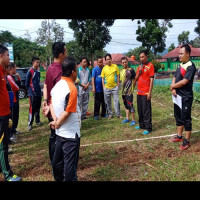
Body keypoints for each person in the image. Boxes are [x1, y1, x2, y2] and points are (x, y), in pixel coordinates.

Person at [49, 56, 81, 181]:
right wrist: (57, 123)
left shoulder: (57, 86)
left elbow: (51, 104)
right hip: (70, 135)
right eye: (76, 69)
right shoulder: (72, 88)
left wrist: (55, 120)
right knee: (69, 165)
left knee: (57, 162)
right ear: (73, 72)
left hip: (60, 133)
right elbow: (68, 111)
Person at [42, 42, 67, 164]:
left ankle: (54, 160)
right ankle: (57, 161)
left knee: (53, 136)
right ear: (61, 54)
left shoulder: (50, 68)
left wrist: (45, 101)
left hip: (50, 107)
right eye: (66, 51)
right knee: (58, 136)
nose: (67, 53)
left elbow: (46, 85)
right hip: (56, 109)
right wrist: (48, 104)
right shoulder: (59, 70)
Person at [168, 44, 196, 150]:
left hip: (186, 97)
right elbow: (175, 76)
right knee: (178, 116)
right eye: (179, 54)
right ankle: (179, 136)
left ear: (188, 54)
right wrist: (174, 88)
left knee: (186, 119)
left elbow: (185, 81)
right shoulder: (180, 65)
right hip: (177, 96)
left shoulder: (191, 66)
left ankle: (187, 141)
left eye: (181, 54)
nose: (179, 56)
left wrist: (172, 86)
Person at [0, 44, 21, 181]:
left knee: (4, 144)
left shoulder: (2, 72)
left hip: (4, 114)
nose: (9, 58)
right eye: (8, 55)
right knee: (3, 145)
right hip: (0, 115)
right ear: (1, 56)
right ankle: (7, 174)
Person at [134, 49, 154, 134]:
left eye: (143, 57)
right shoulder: (139, 67)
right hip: (139, 92)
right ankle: (141, 124)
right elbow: (135, 79)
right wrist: (140, 72)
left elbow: (152, 80)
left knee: (146, 110)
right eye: (140, 57)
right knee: (140, 110)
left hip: (146, 92)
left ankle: (148, 127)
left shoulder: (150, 66)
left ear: (146, 57)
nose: (141, 59)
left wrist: (149, 92)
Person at [101, 53, 122, 119]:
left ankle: (118, 114)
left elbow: (118, 76)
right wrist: (103, 86)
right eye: (107, 59)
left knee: (116, 101)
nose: (108, 60)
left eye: (109, 59)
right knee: (108, 102)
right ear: (105, 60)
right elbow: (102, 78)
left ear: (111, 59)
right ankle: (110, 114)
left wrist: (118, 85)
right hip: (106, 88)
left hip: (114, 87)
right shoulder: (104, 68)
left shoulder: (115, 66)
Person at [26, 56, 42, 131]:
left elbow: (38, 82)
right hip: (32, 93)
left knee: (38, 108)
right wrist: (30, 91)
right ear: (33, 62)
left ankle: (37, 121)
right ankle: (30, 123)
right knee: (32, 108)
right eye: (37, 62)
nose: (38, 64)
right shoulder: (30, 71)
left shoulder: (38, 72)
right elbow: (27, 83)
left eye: (39, 62)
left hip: (39, 93)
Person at [120, 57, 137, 126]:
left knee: (130, 105)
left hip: (129, 91)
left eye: (125, 62)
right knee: (126, 105)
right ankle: (127, 119)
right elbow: (122, 81)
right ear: (121, 63)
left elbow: (135, 79)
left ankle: (133, 120)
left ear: (127, 62)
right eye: (123, 62)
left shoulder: (131, 70)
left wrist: (132, 88)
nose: (124, 63)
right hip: (123, 92)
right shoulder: (121, 71)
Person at [7, 62, 21, 139]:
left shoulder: (13, 76)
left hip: (15, 99)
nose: (16, 69)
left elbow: (18, 85)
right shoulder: (9, 77)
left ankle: (14, 130)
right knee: (13, 117)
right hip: (13, 100)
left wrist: (18, 78)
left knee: (16, 116)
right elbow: (16, 87)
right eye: (15, 68)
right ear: (11, 68)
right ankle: (11, 132)